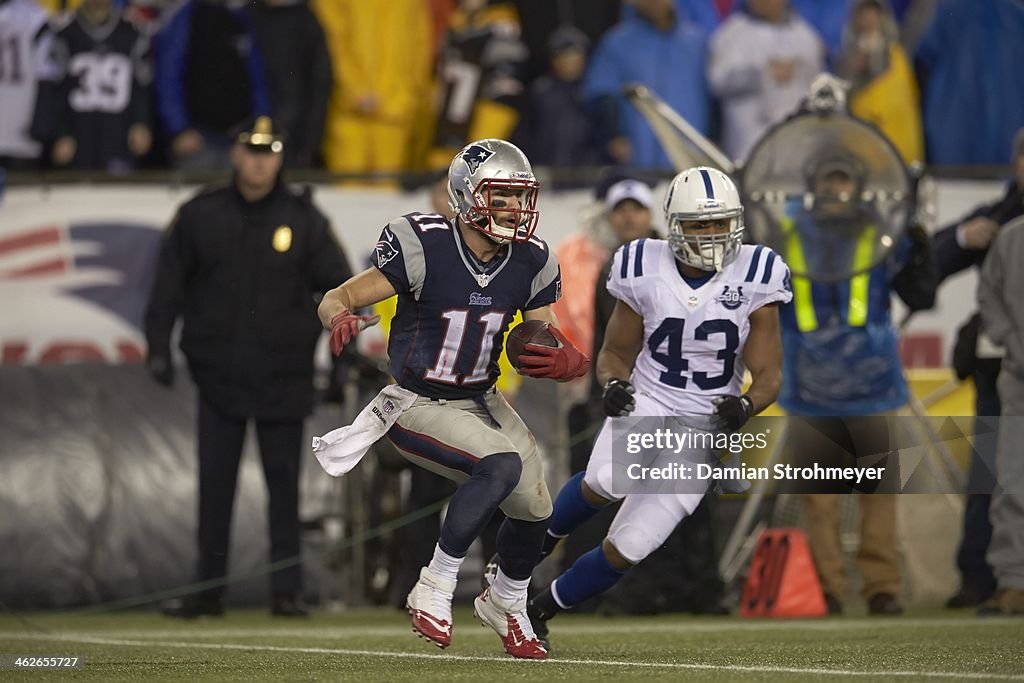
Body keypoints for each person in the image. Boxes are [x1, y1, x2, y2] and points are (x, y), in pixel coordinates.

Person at [316, 138, 589, 659]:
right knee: (501, 465)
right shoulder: (425, 243)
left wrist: (567, 359)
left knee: (535, 507)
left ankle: (505, 601)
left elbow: (541, 336)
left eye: (519, 197)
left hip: (480, 397)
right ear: (465, 196)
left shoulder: (529, 259)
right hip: (417, 401)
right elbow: (340, 295)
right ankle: (434, 587)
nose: (513, 209)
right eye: (501, 196)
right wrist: (339, 317)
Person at [526, 167, 791, 648]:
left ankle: (537, 610)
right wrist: (613, 385)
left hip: (704, 422)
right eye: (698, 225)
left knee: (633, 544)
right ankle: (524, 556)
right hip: (650, 397)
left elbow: (770, 374)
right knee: (609, 478)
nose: (711, 235)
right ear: (673, 225)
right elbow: (615, 353)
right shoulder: (641, 264)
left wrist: (746, 405)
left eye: (719, 223)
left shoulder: (757, 272)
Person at [144, 116, 353, 617]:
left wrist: (342, 361)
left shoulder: (305, 220)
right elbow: (168, 285)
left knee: (285, 488)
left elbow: (342, 289)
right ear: (235, 154)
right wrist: (158, 345)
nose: (259, 160)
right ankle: (207, 589)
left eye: (269, 150)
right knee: (215, 488)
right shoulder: (200, 214)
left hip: (285, 375)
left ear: (280, 158)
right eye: (251, 149)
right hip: (218, 375)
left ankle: (286, 591)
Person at [777, 149, 934, 616]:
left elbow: (919, 293)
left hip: (872, 384)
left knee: (879, 496)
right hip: (810, 386)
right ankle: (829, 589)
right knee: (820, 502)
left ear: (858, 186)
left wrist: (920, 245)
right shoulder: (786, 234)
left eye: (843, 179)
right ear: (813, 184)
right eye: (828, 179)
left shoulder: (883, 233)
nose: (835, 189)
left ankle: (881, 588)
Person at [933, 130, 1024, 609]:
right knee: (994, 476)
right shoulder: (999, 220)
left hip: (1005, 363)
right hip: (1004, 371)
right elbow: (929, 269)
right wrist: (960, 237)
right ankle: (984, 577)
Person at [33, 0, 152, 172]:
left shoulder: (132, 30)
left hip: (118, 134)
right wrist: (61, 132)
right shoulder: (63, 31)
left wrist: (141, 123)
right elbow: (53, 89)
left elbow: (141, 84)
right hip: (77, 134)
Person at [976, 216, 1024, 616]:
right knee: (1012, 484)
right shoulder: (1011, 239)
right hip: (1021, 382)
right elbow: (989, 296)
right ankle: (1014, 582)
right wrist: (1011, 339)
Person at [708, 0, 824, 162]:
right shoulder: (731, 33)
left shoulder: (806, 35)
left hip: (796, 150)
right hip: (748, 147)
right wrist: (761, 74)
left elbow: (818, 88)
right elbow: (717, 83)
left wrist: (798, 70)